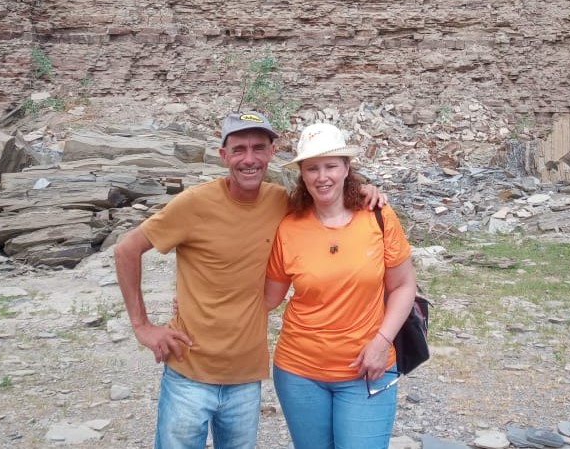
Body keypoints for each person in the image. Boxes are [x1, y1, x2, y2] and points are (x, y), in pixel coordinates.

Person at [114, 111, 385, 449]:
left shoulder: (281, 203)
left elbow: (327, 199)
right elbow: (126, 250)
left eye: (258, 148)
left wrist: (364, 191)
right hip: (189, 371)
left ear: (272, 152)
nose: (249, 159)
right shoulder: (193, 204)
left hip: (245, 377)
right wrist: (142, 326)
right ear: (223, 154)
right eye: (239, 149)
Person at [264, 122, 418, 449]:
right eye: (312, 168)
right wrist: (203, 299)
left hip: (369, 367)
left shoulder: (377, 215)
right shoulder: (289, 227)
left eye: (331, 166)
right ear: (302, 175)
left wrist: (382, 341)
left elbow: (404, 286)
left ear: (347, 168)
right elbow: (267, 298)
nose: (323, 177)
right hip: (298, 372)